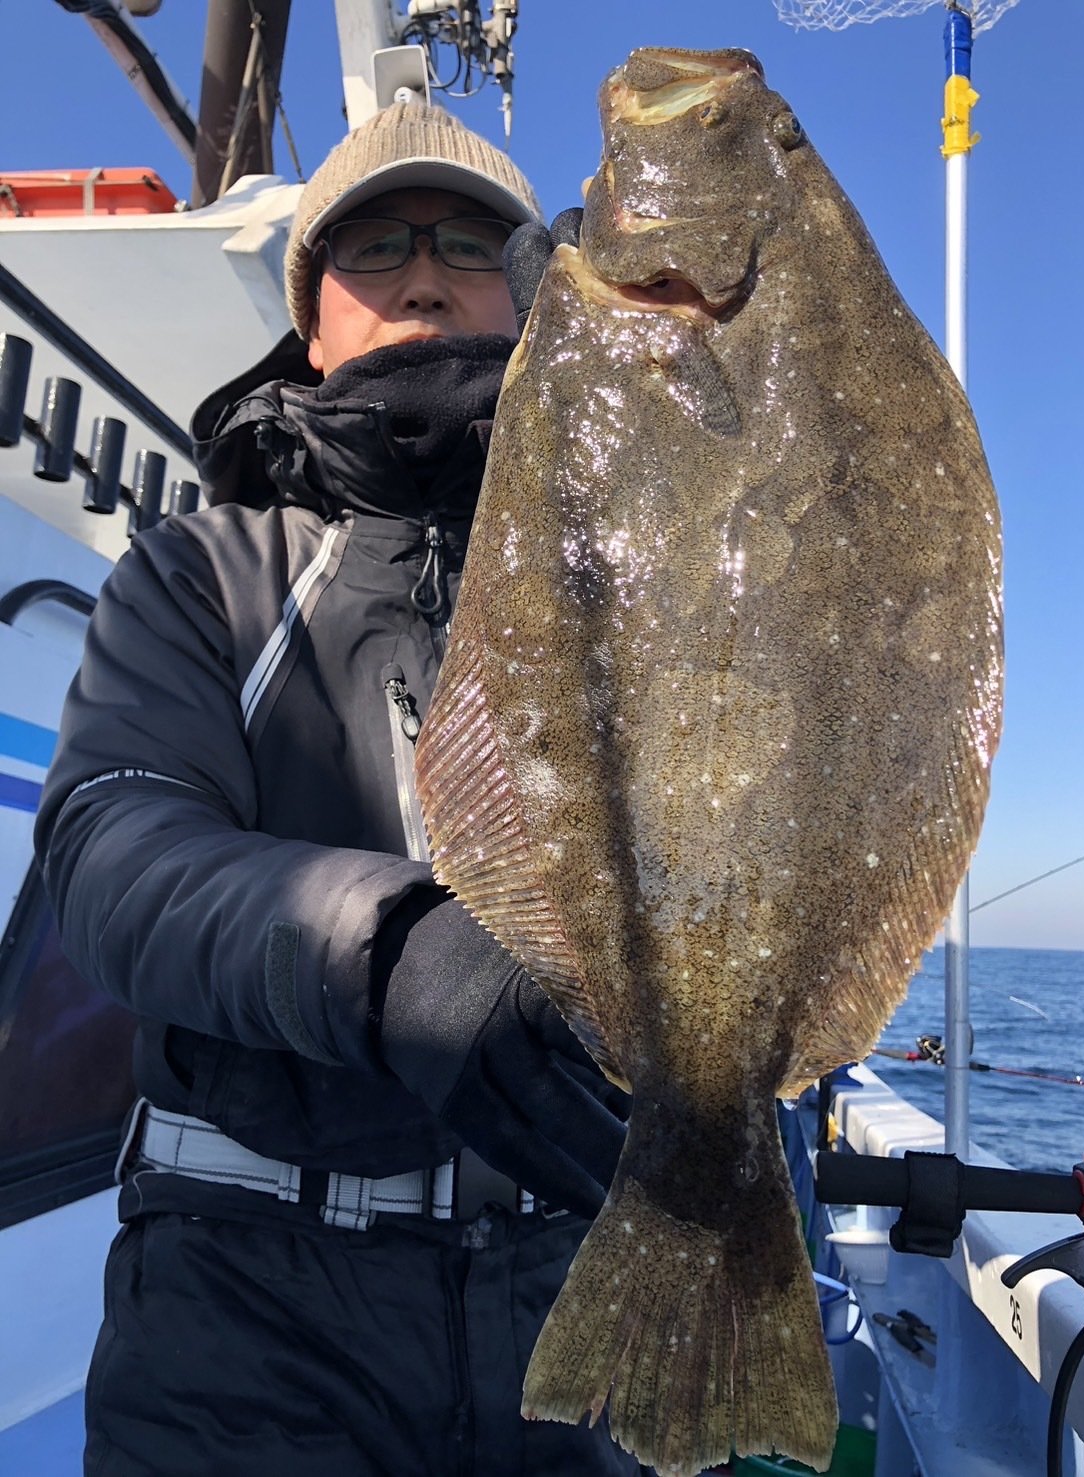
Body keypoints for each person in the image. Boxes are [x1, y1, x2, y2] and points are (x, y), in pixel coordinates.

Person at [35, 100, 640, 1477]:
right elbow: (111, 842)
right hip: (246, 1320)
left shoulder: (626, 575)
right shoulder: (204, 570)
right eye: (373, 248)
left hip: (580, 1295)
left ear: (536, 301)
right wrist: (386, 955)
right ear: (310, 324)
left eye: (470, 244)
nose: (423, 277)